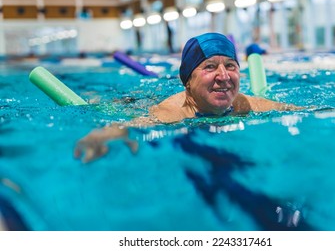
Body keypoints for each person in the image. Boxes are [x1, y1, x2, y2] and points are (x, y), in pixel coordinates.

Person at [74, 32, 300, 162]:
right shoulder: (172, 113)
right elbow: (127, 125)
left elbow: (304, 110)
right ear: (188, 81)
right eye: (210, 67)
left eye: (230, 66)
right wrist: (100, 136)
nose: (224, 76)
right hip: (144, 101)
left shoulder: (245, 103)